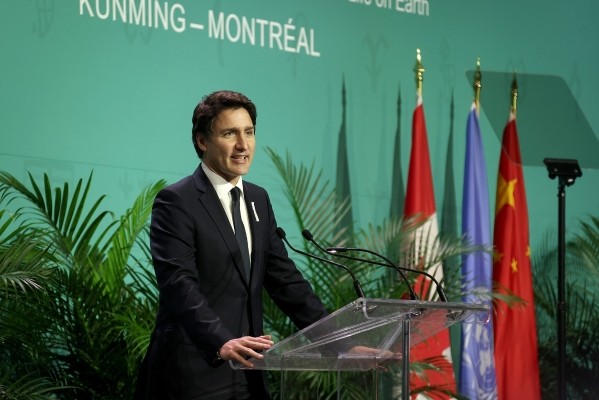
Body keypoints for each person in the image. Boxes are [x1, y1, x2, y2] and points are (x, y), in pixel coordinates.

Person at [134, 90, 328, 400]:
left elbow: (285, 281)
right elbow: (179, 284)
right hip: (193, 374)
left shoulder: (258, 199)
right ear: (202, 141)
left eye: (249, 132)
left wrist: (336, 339)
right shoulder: (177, 201)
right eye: (230, 133)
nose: (243, 145)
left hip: (249, 374)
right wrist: (220, 340)